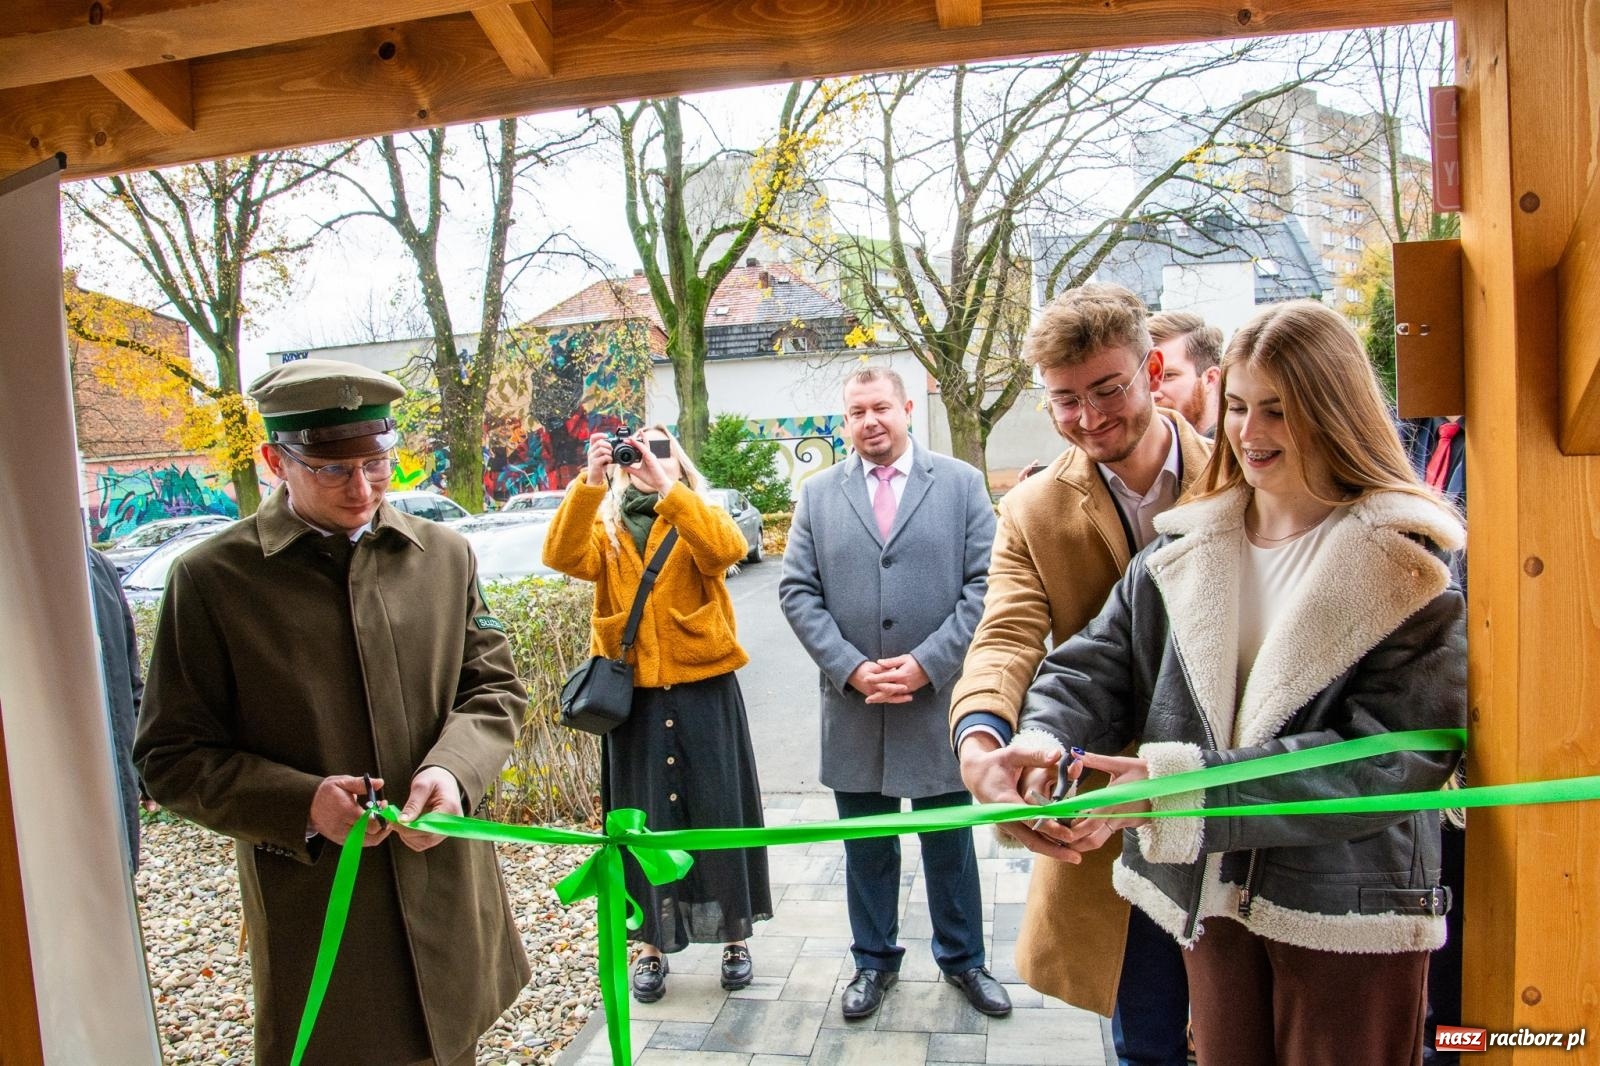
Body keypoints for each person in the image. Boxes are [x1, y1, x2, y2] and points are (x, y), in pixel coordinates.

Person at [1010, 299, 1466, 1064]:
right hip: (1211, 909)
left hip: (1346, 917)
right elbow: (1089, 666)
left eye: (1279, 410)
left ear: (1336, 409)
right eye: (1240, 407)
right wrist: (1042, 742)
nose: (1251, 433)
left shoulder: (1411, 564)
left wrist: (1175, 791)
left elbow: (1394, 759)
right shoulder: (1183, 549)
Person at [135, 358, 530, 1066]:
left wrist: (454, 772)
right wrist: (303, 804)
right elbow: (170, 757)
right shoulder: (212, 581)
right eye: (332, 470)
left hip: (445, 895)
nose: (362, 488)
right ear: (274, 462)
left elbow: (493, 688)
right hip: (319, 914)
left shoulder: (444, 555)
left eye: (377, 465)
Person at [952, 283, 1208, 1065]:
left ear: (1153, 370)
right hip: (1112, 824)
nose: (1090, 418)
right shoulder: (1032, 509)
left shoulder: (1241, 472)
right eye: (1066, 400)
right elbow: (1005, 636)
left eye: (1108, 389)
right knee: (1148, 1040)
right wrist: (980, 741)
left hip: (1233, 807)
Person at [779, 366, 1008, 1021]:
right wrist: (850, 667)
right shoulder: (818, 495)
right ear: (845, 421)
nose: (869, 421)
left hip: (935, 704)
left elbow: (987, 585)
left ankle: (965, 961)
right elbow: (797, 591)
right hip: (855, 707)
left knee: (949, 843)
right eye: (856, 412)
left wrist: (929, 663)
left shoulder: (960, 484)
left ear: (907, 408)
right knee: (868, 848)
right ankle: (873, 963)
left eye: (880, 407)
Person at [542, 424, 771, 1004]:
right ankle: (649, 945)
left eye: (659, 445)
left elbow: (725, 551)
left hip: (704, 687)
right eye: (635, 449)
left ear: (678, 458)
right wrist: (590, 481)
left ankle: (734, 936)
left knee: (718, 812)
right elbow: (561, 556)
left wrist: (669, 486)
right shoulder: (608, 526)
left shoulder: (695, 511)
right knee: (639, 819)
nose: (643, 455)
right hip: (634, 697)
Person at [88, 544, 143, 872]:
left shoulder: (98, 569)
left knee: (118, 871)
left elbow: (128, 677)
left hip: (115, 779)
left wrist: (143, 767)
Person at [1148, 309, 1224, 437]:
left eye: (1167, 376)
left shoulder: (1242, 445)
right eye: (1145, 379)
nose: (1153, 393)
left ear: (1210, 379)